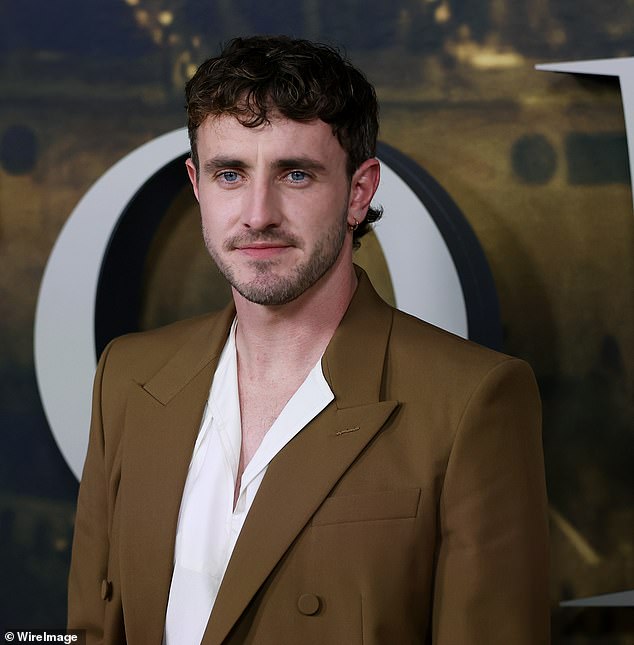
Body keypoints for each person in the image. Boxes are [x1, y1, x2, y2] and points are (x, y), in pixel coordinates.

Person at [68, 35, 550, 644]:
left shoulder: (472, 401)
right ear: (197, 186)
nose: (257, 213)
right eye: (230, 174)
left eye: (296, 174)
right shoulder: (127, 376)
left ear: (359, 191)